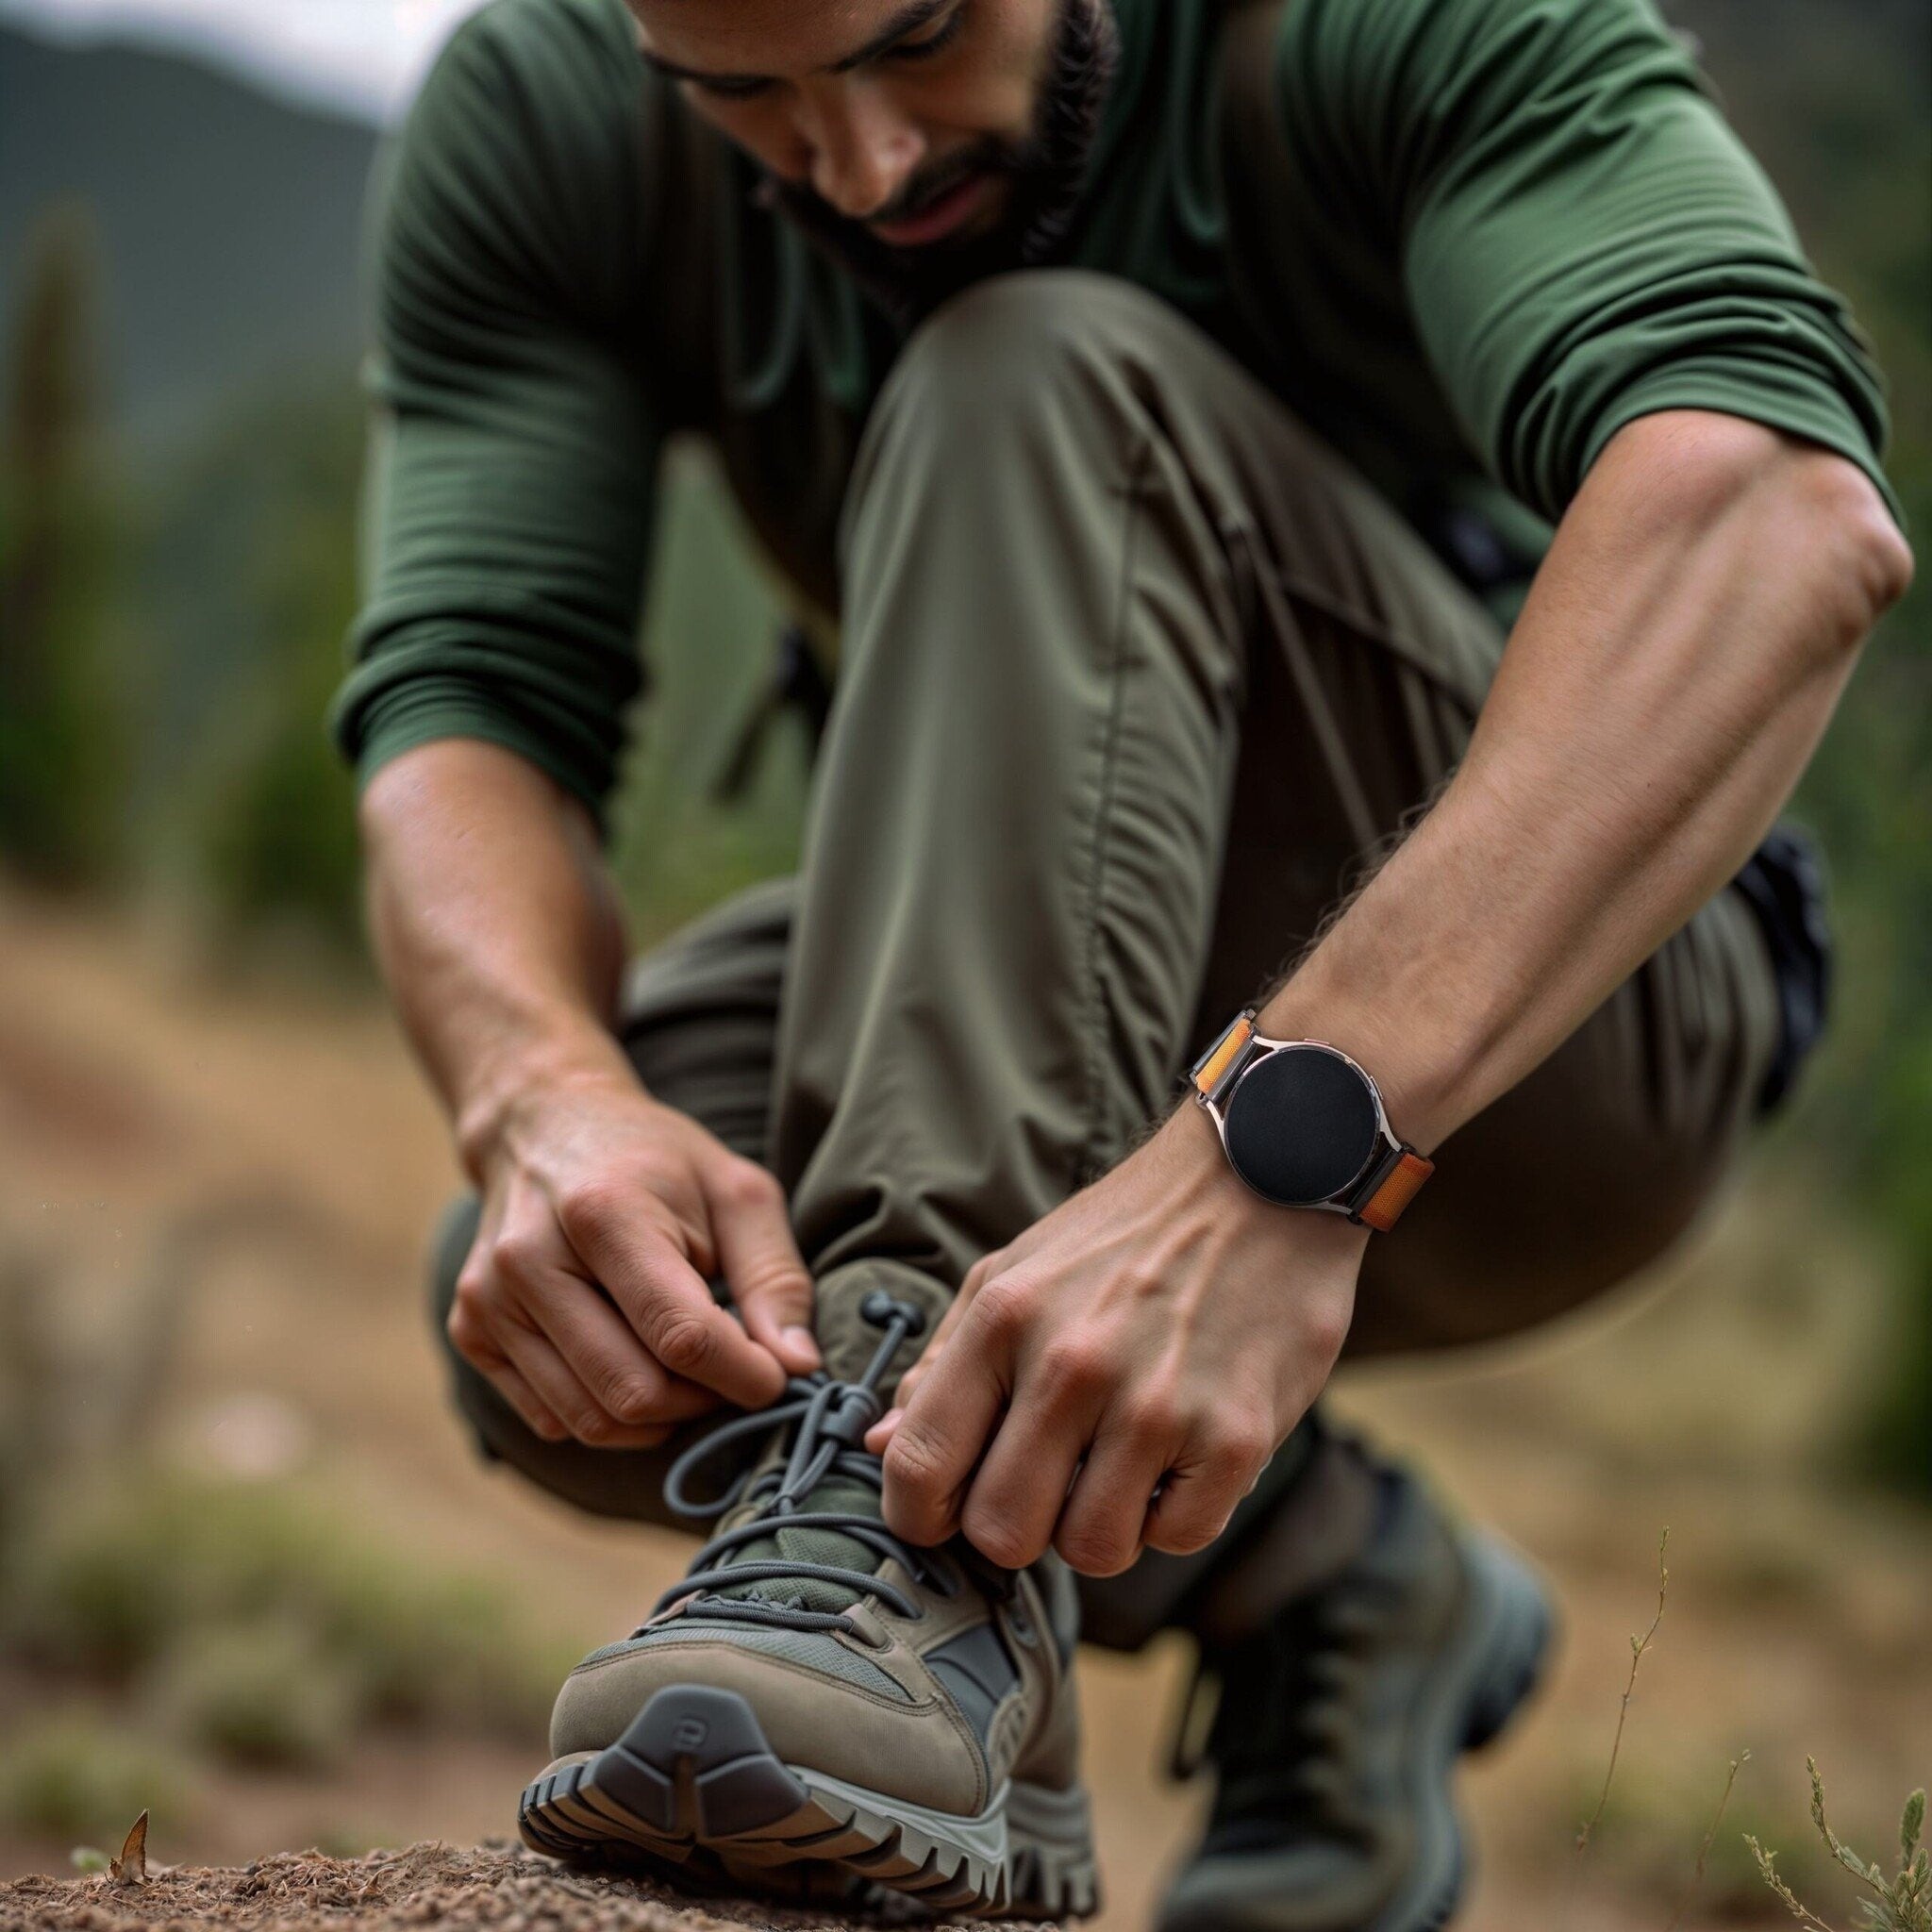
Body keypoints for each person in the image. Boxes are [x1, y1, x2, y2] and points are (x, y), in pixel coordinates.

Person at [332, 0, 1911, 1923]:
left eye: (920, 41)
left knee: (1031, 368)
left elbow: (1769, 507)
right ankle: (1324, 1569)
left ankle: (924, 1585)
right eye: (740, 97)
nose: (864, 164)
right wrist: (544, 1104)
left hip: (1554, 1032)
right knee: (582, 1309)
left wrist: (1284, 1152)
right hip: (1035, 957)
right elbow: (468, 703)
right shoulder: (546, 108)